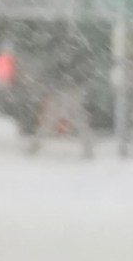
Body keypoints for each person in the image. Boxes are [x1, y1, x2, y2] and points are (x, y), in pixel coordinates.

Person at [28, 21, 94, 158]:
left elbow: (52, 68)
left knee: (52, 118)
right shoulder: (77, 46)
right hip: (72, 87)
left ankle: (35, 146)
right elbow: (83, 69)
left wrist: (46, 80)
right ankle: (87, 148)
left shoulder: (58, 46)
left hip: (64, 87)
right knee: (76, 117)